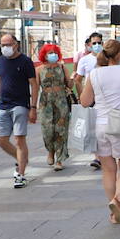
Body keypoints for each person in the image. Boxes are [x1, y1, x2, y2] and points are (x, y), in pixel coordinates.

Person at [79, 39, 120, 224]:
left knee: (108, 170)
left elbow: (84, 102)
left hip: (100, 126)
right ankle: (116, 200)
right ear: (118, 55)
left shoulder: (94, 74)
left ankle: (114, 212)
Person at [0, 32, 38, 188]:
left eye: (8, 44)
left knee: (19, 139)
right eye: (2, 45)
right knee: (1, 141)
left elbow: (34, 84)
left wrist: (33, 107)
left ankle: (21, 174)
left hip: (20, 104)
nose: (5, 48)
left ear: (15, 44)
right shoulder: (1, 61)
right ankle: (21, 158)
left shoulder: (25, 61)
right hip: (3, 105)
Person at [36, 43, 71, 171]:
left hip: (61, 101)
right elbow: (35, 86)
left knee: (61, 129)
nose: (53, 55)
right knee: (47, 129)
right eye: (49, 53)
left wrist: (72, 79)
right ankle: (50, 151)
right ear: (44, 55)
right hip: (45, 102)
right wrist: (32, 106)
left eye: (54, 52)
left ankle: (60, 159)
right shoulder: (39, 69)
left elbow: (69, 84)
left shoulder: (62, 67)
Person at [74, 32, 105, 170]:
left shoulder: (107, 58)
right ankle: (97, 157)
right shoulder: (84, 60)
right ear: (89, 45)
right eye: (94, 43)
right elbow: (78, 79)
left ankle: (106, 154)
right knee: (93, 128)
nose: (97, 45)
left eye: (99, 42)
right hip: (91, 96)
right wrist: (82, 95)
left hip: (105, 96)